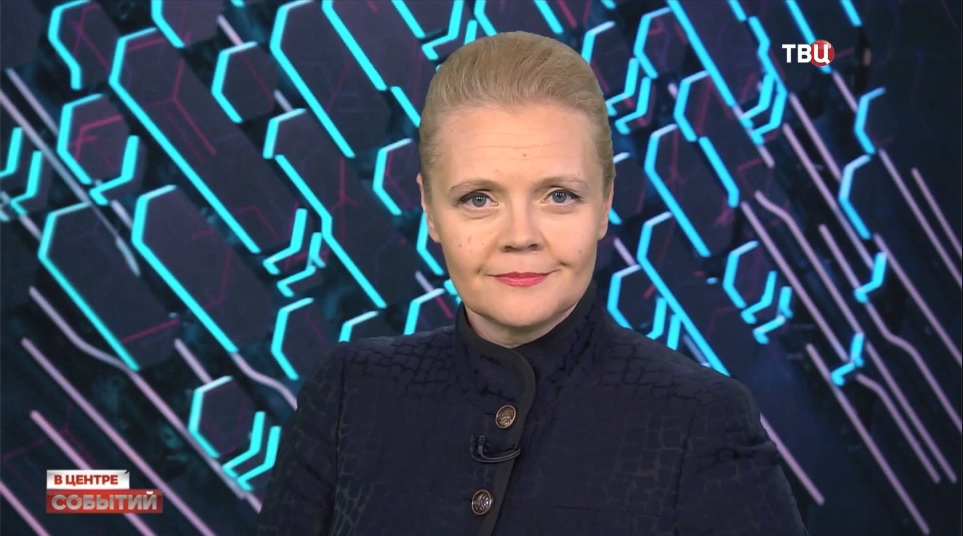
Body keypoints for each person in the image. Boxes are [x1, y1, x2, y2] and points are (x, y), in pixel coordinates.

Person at [256, 31, 807, 535]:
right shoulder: (349, 391)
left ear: (605, 203)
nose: (521, 236)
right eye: (478, 199)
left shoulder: (701, 419)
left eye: (559, 196)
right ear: (429, 208)